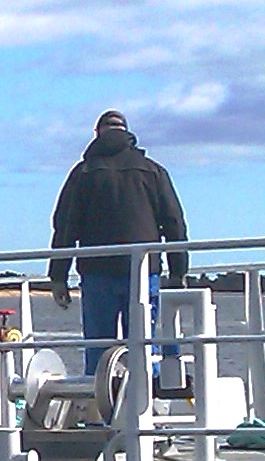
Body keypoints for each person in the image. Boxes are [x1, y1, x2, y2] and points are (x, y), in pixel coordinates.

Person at [48, 110, 190, 376]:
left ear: (97, 133)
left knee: (98, 350)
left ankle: (99, 411)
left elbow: (65, 227)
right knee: (143, 347)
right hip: (143, 272)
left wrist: (58, 276)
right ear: (128, 134)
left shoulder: (83, 173)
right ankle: (147, 406)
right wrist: (178, 271)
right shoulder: (153, 171)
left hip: (97, 272)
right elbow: (174, 223)